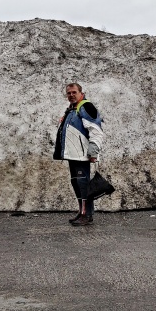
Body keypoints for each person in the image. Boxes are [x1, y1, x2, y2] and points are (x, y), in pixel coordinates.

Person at [53, 82, 103, 226]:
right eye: (69, 93)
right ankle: (82, 212)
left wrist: (93, 150)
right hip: (73, 155)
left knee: (83, 184)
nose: (71, 95)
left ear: (81, 93)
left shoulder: (86, 106)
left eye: (74, 92)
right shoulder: (72, 109)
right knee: (77, 183)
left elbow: (96, 130)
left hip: (82, 155)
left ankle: (86, 214)